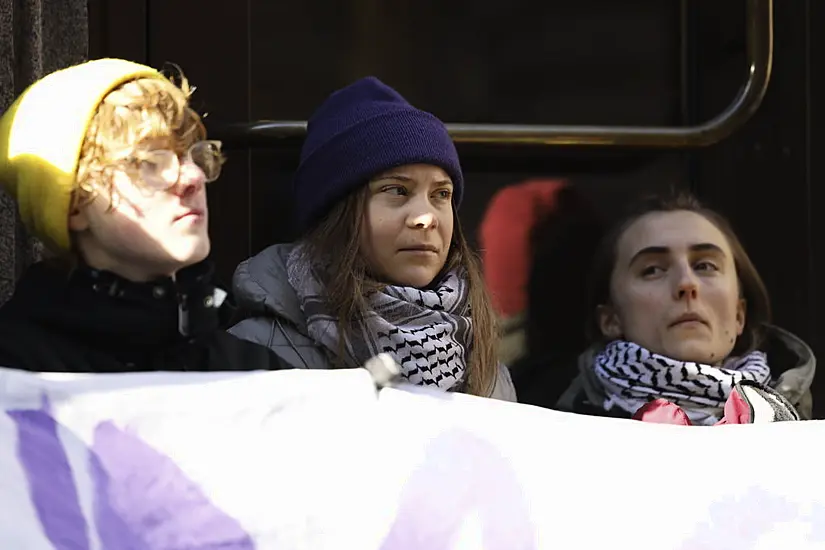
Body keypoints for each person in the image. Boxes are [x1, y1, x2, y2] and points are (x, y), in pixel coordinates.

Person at [229, 76, 516, 401]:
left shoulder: (483, 362)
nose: (425, 218)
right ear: (336, 213)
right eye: (397, 190)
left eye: (441, 194)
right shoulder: (256, 353)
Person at [0, 58, 289, 373]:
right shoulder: (15, 372)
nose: (193, 177)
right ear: (75, 205)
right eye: (150, 161)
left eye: (193, 154)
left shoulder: (254, 372)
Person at [556, 192, 814, 423]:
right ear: (611, 319)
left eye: (705, 266)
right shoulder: (555, 436)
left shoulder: (806, 441)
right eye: (652, 270)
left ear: (739, 314)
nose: (686, 283)